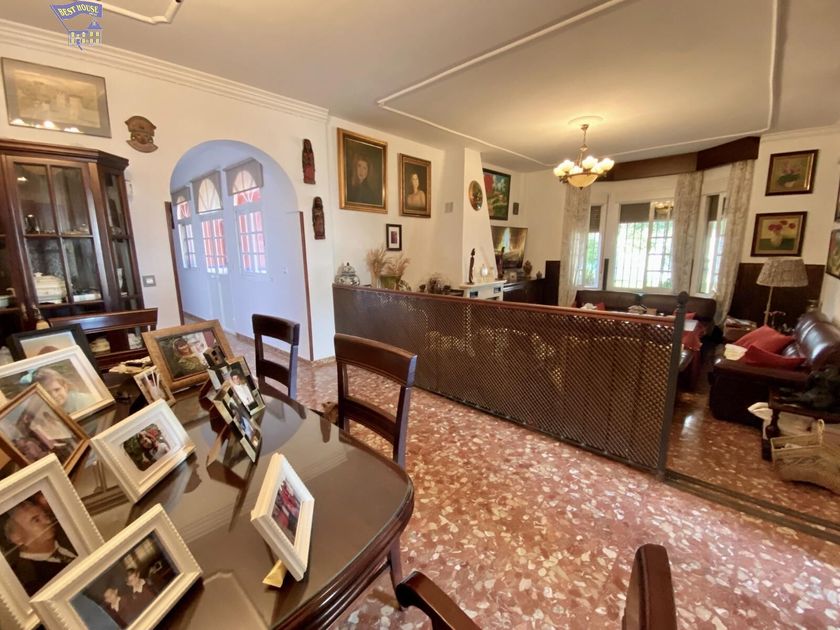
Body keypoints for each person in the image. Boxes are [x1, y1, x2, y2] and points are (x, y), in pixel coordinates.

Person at [3, 498, 77, 595]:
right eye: (36, 520)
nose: (48, 521)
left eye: (46, 516)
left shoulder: (72, 537)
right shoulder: (28, 579)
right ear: (17, 538)